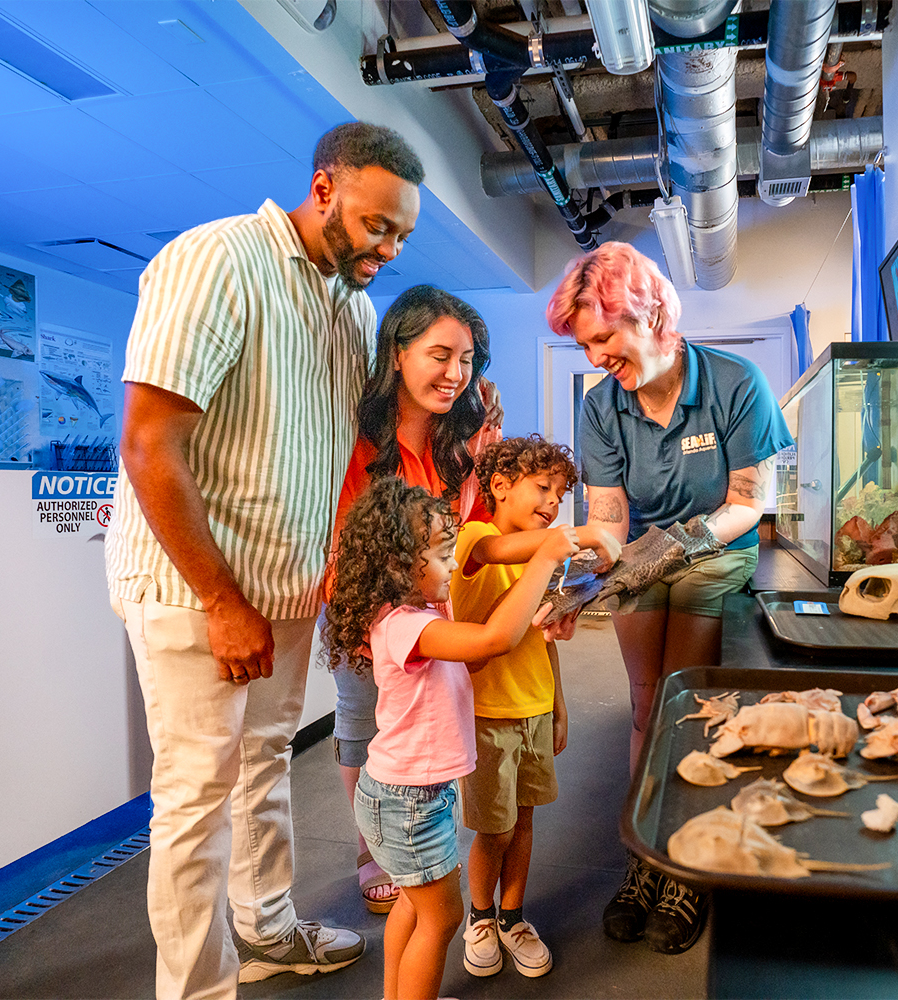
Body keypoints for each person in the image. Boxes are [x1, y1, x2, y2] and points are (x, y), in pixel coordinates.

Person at [105, 121, 423, 997]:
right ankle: (198, 991)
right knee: (197, 798)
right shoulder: (217, 260)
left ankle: (270, 930)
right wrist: (221, 599)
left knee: (265, 765)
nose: (387, 249)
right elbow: (148, 445)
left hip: (287, 594)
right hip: (196, 592)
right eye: (376, 225)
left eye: (401, 235)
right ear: (325, 188)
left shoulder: (350, 309)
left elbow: (344, 453)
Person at [545, 241, 795, 955]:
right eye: (584, 344)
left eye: (602, 338)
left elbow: (751, 503)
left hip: (716, 550)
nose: (595, 358)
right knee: (648, 703)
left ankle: (690, 864)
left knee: (688, 702)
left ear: (651, 313)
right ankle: (645, 855)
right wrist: (578, 582)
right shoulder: (603, 407)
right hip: (644, 554)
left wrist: (684, 542)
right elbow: (613, 522)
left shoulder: (735, 382)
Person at [324, 477, 577, 1000]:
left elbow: (481, 652)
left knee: (414, 906)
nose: (454, 566)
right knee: (442, 918)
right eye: (442, 555)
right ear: (399, 565)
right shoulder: (403, 625)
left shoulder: (426, 615)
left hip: (406, 791)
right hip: (408, 800)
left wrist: (538, 607)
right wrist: (544, 560)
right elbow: (493, 637)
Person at [321, 284, 496, 915]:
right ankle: (373, 850)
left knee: (420, 723)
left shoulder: (458, 442)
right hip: (367, 606)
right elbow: (347, 540)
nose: (455, 374)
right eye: (439, 355)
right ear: (396, 352)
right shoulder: (359, 439)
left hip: (431, 609)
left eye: (468, 359)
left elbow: (467, 530)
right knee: (365, 718)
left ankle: (410, 838)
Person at [451, 434, 621, 980]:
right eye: (542, 488)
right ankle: (479, 917)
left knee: (523, 821)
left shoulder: (545, 557)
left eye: (560, 493)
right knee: (492, 829)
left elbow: (542, 636)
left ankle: (512, 917)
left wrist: (560, 705)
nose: (552, 503)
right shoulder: (477, 537)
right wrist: (584, 534)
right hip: (485, 715)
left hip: (534, 710)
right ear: (499, 486)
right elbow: (501, 554)